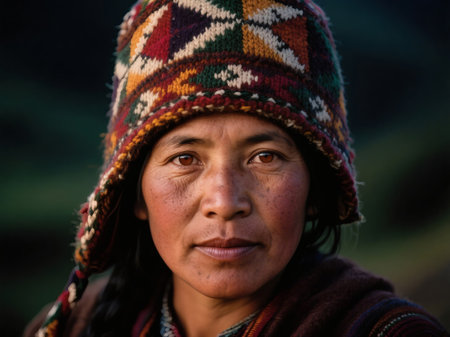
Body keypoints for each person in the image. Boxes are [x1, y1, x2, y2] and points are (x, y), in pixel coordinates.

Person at [24, 0, 448, 336]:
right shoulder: (74, 326)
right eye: (185, 159)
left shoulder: (385, 332)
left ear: (315, 189)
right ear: (135, 192)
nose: (225, 202)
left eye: (265, 157)